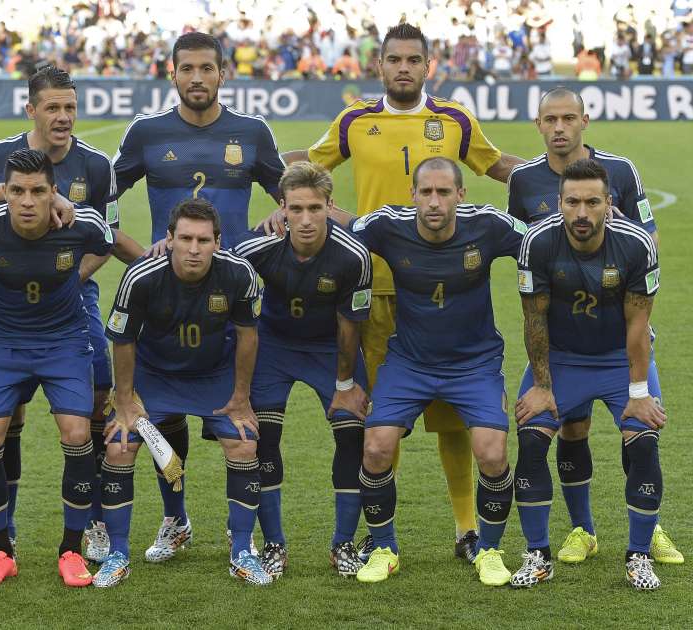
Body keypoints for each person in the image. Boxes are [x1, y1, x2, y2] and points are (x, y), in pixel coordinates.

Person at [278, 23, 524, 563]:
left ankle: (467, 530)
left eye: (414, 59)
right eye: (395, 59)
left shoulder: (454, 119)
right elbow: (309, 168)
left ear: (428, 66)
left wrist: (554, 185)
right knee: (378, 415)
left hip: (439, 287)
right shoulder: (355, 119)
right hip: (371, 288)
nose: (404, 67)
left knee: (454, 418)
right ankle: (379, 532)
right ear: (381, 65)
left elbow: (497, 163)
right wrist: (277, 186)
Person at [0, 64, 143, 567]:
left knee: (94, 405)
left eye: (70, 107)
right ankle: (2, 534)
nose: (63, 117)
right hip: (9, 304)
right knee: (6, 423)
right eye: (52, 107)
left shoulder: (95, 166)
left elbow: (107, 237)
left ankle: (91, 522)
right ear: (31, 108)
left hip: (74, 302)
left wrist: (68, 275)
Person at [111, 31, 285, 562]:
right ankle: (175, 519)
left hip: (236, 302)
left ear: (222, 74)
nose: (197, 78)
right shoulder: (147, 133)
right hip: (169, 301)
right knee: (165, 420)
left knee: (251, 422)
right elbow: (100, 200)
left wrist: (281, 212)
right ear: (173, 74)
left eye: (207, 68)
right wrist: (140, 256)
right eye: (187, 69)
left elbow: (291, 197)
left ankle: (255, 536)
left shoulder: (252, 132)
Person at [506, 88, 681, 565]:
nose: (560, 127)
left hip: (618, 329)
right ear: (538, 124)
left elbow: (649, 236)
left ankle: (649, 529)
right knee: (572, 430)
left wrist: (618, 265)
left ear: (585, 120)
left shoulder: (621, 171)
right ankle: (582, 530)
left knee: (639, 428)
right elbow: (518, 243)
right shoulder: (523, 181)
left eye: (568, 118)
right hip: (563, 339)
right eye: (550, 119)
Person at [346, 157, 527, 587]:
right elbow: (337, 229)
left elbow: (541, 236)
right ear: (412, 195)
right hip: (409, 362)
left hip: (474, 363)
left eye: (444, 192)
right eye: (425, 192)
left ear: (460, 196)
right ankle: (384, 548)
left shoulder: (487, 225)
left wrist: (599, 217)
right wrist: (291, 212)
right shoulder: (387, 226)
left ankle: (489, 550)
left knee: (492, 452)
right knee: (375, 447)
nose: (434, 201)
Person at [0, 149, 114, 588]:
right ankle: (1, 550)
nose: (27, 201)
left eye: (38, 191)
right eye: (17, 191)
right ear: (6, 192)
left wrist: (72, 278)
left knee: (78, 433)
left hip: (63, 341)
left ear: (53, 192)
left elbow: (106, 241)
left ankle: (71, 549)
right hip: (1, 343)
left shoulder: (79, 224)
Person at [95, 198, 269, 587]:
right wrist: (124, 401)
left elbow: (248, 336)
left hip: (213, 374)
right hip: (156, 375)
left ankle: (242, 548)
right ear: (169, 239)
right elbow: (122, 341)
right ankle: (119, 553)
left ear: (218, 242)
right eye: (186, 238)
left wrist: (241, 398)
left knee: (243, 440)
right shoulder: (141, 276)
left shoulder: (239, 274)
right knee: (119, 443)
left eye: (203, 240)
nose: (194, 248)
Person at [231, 162, 371, 578]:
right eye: (296, 209)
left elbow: (351, 326)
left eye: (315, 208)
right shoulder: (257, 246)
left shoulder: (353, 255)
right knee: (263, 439)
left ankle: (342, 544)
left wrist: (345, 384)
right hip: (274, 346)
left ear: (331, 206)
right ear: (282, 209)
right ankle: (274, 545)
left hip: (330, 347)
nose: (306, 219)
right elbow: (221, 282)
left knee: (352, 436)